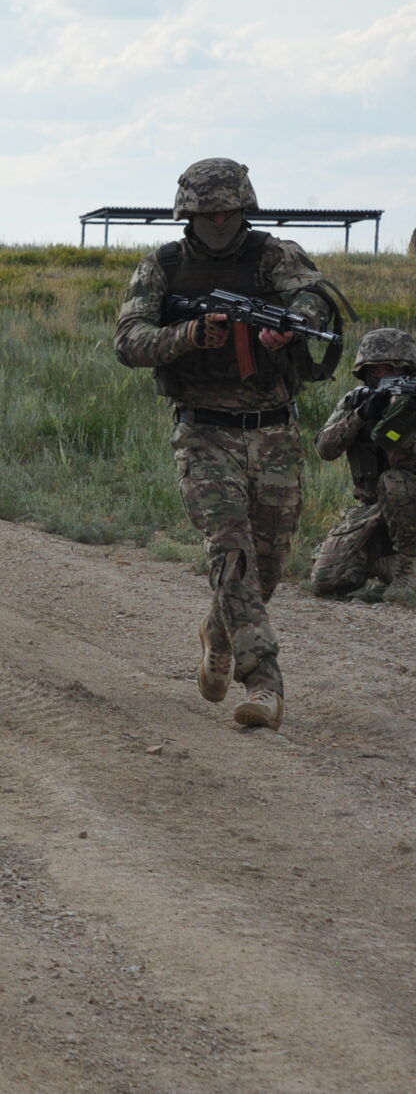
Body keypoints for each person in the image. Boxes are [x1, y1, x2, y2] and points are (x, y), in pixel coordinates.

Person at [114, 158, 341, 731]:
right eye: (208, 211)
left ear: (245, 208)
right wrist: (188, 335)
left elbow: (317, 302)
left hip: (275, 432)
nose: (220, 220)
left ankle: (218, 632)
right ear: (187, 212)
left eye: (230, 210)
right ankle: (264, 684)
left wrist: (289, 322)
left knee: (266, 569)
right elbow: (129, 339)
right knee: (232, 554)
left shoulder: (273, 255)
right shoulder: (163, 266)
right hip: (204, 432)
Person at [310, 328, 416, 605]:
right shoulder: (356, 400)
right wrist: (361, 416)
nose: (384, 375)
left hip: (410, 501)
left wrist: (401, 417)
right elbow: (324, 449)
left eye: (393, 369)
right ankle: (386, 565)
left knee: (395, 481)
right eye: (376, 369)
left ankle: (408, 570)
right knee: (327, 579)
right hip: (375, 509)